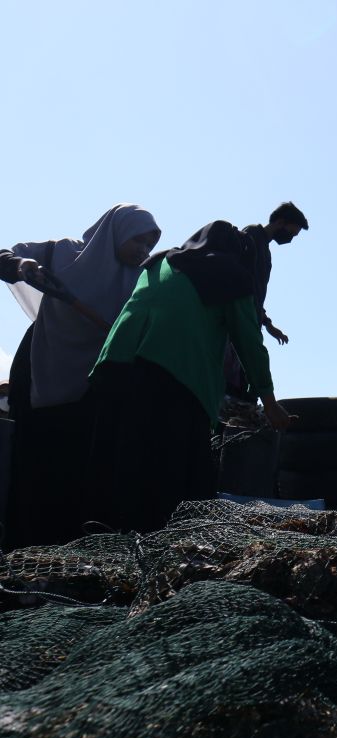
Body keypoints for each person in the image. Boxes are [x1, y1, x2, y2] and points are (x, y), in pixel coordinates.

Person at [86, 221, 292, 534]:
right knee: (178, 489)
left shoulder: (160, 262)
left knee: (120, 473)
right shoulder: (230, 275)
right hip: (174, 383)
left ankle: (110, 543)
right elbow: (248, 341)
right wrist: (270, 401)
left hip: (114, 372)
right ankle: (161, 556)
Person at [2, 205, 161, 547]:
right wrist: (21, 266)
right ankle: (21, 548)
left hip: (91, 389)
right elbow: (7, 256)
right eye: (138, 241)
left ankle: (64, 552)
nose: (143, 251)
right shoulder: (63, 253)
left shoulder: (141, 281)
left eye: (149, 246)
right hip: (40, 372)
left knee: (75, 473)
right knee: (32, 467)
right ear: (117, 232)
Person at [224, 201, 308, 400]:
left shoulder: (266, 252)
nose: (290, 239)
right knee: (234, 380)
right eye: (291, 233)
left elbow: (255, 294)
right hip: (236, 321)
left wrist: (267, 323)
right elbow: (240, 284)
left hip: (251, 320)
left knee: (246, 382)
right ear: (280, 222)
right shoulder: (251, 235)